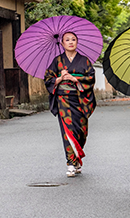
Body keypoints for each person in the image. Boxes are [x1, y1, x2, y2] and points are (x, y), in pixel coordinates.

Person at [44, 32, 96, 177]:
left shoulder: (85, 61)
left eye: (73, 39)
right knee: (68, 131)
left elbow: (91, 77)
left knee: (81, 132)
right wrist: (60, 78)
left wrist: (74, 78)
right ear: (62, 43)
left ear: (77, 42)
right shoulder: (57, 61)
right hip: (63, 100)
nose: (70, 42)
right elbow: (48, 78)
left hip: (80, 100)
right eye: (67, 40)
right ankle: (71, 163)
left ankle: (77, 157)